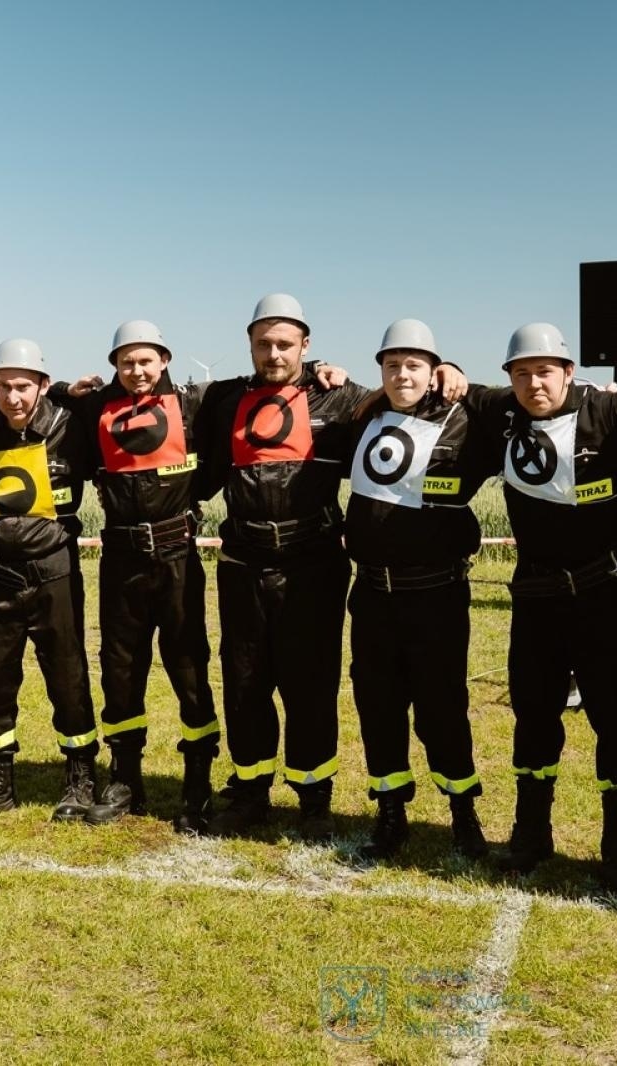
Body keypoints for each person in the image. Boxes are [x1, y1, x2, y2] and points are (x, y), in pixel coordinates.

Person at [191, 294, 465, 840]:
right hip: (243, 559)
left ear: (306, 345)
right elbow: (149, 397)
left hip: (312, 561)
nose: (274, 353)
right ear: (249, 343)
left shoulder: (342, 399)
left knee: (309, 681)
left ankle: (313, 797)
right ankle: (249, 791)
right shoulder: (222, 399)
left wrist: (449, 369)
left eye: (286, 344)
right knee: (245, 680)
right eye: (264, 343)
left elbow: (406, 394)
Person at [460, 323, 617, 892]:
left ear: (569, 372)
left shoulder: (614, 413)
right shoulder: (504, 412)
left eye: (545, 371)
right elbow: (456, 387)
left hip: (605, 596)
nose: (534, 382)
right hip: (537, 598)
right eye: (521, 372)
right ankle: (530, 833)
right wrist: (443, 370)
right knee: (533, 716)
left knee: (614, 722)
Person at [49, 321, 221, 830]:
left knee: (189, 668)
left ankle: (197, 782)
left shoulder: (195, 403)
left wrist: (323, 369)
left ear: (164, 359)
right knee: (120, 670)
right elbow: (45, 397)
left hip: (177, 557)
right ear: (113, 366)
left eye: (146, 360)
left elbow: (257, 391)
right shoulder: (96, 405)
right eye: (126, 362)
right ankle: (125, 778)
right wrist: (61, 387)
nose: (136, 370)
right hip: (120, 558)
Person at [343, 319, 495, 860]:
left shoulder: (464, 419)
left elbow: (526, 404)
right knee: (377, 706)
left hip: (435, 595)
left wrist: (462, 377)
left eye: (414, 365)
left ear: (433, 370)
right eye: (391, 365)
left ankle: (462, 814)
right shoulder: (364, 415)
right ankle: (391, 815)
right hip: (372, 596)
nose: (401, 374)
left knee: (441, 708)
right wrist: (321, 370)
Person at [0, 339, 100, 824]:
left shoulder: (70, 424)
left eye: (23, 386)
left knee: (68, 678)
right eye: (2, 387)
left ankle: (81, 777)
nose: (13, 398)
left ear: (41, 385)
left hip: (54, 574)